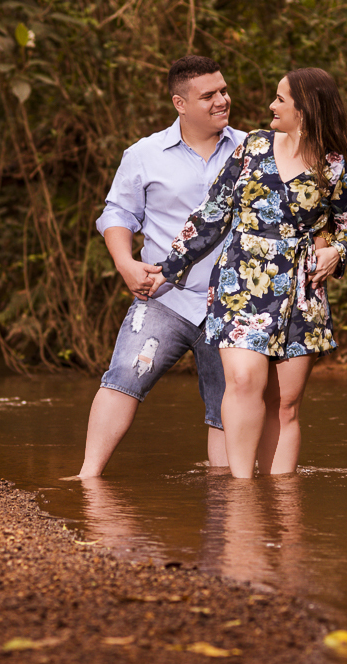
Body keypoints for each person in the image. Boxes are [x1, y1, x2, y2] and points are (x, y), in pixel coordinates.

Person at [152, 68, 347, 479]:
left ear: (305, 109)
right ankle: (241, 492)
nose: (271, 105)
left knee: (284, 403)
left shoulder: (335, 167)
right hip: (241, 283)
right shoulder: (253, 146)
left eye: (280, 99)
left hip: (301, 292)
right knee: (244, 381)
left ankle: (281, 500)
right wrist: (170, 267)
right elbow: (212, 214)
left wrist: (337, 252)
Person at [72, 55, 246, 479]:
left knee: (226, 407)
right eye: (208, 95)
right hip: (164, 298)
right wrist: (125, 263)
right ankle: (87, 478)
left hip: (235, 304)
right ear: (180, 104)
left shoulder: (253, 151)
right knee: (123, 378)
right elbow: (118, 214)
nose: (222, 100)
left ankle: (228, 503)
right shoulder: (144, 154)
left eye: (224, 90)